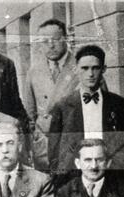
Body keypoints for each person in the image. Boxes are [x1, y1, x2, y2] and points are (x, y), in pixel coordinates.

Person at [47, 45, 124, 184]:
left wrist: (110, 171)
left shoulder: (119, 105)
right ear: (76, 69)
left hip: (111, 180)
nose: (90, 74)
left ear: (104, 69)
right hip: (73, 182)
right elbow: (53, 152)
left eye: (95, 68)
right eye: (85, 68)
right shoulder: (62, 107)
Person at [23, 19, 79, 171]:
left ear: (65, 39)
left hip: (74, 143)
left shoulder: (81, 67)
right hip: (44, 145)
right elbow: (29, 113)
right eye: (45, 41)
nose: (51, 45)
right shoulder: (34, 71)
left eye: (55, 40)